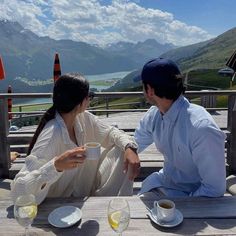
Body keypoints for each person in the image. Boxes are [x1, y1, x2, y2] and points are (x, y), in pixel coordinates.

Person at [11, 73, 140, 204]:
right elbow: (18, 191)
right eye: (90, 96)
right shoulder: (51, 135)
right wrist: (55, 166)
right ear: (80, 102)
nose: (91, 99)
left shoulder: (83, 118)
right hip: (58, 204)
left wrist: (129, 146)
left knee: (122, 150)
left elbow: (112, 132)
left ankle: (113, 203)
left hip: (84, 190)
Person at [134, 58, 226, 197]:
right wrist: (129, 149)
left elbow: (214, 189)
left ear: (150, 90)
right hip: (164, 183)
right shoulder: (155, 114)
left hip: (193, 196)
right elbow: (137, 141)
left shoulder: (201, 128)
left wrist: (182, 208)